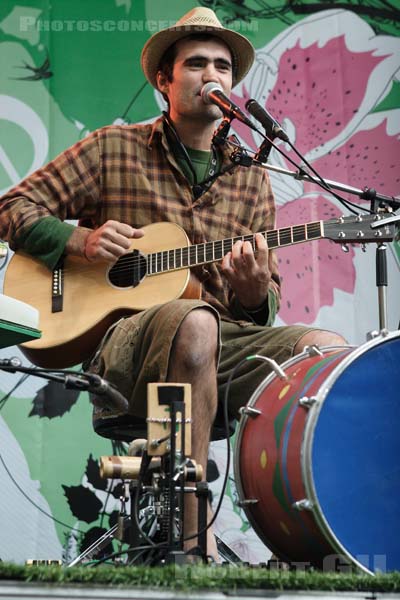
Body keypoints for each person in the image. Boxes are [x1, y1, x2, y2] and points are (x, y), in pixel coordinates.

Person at [0, 7, 346, 561]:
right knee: (194, 320)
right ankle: (193, 541)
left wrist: (256, 293)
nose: (212, 75)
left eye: (223, 67)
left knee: (324, 356)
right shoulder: (113, 148)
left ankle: (309, 541)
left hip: (220, 344)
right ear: (164, 80)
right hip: (126, 349)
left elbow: (262, 307)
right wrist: (78, 243)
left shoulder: (253, 178)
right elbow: (12, 207)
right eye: (196, 64)